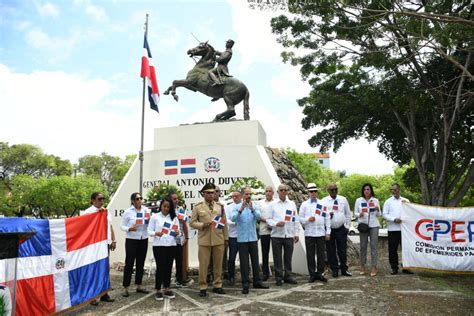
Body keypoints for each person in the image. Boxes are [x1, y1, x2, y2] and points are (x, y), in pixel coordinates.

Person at [190, 183, 229, 297]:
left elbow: (224, 224)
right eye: (208, 193)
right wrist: (202, 225)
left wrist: (226, 238)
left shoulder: (220, 207)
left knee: (218, 264)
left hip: (218, 239)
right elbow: (192, 222)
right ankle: (203, 286)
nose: (211, 195)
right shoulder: (198, 207)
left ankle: (217, 285)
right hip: (204, 240)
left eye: (212, 192)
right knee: (204, 265)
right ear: (203, 194)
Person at [231, 187, 269, 294]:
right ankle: (245, 283)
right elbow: (233, 218)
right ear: (242, 195)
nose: (248, 196)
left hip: (252, 237)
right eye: (246, 194)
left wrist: (252, 209)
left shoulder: (255, 205)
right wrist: (241, 210)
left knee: (255, 260)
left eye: (249, 194)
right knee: (244, 262)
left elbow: (258, 217)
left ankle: (257, 281)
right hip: (242, 239)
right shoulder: (237, 206)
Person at [83, 192, 116, 305]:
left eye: (103, 199)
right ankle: (92, 296)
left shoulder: (106, 211)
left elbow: (110, 226)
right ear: (92, 200)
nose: (102, 201)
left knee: (105, 269)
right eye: (99, 199)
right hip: (94, 245)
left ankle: (104, 294)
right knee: (94, 269)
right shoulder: (88, 212)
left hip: (105, 243)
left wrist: (113, 239)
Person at [267, 184, 300, 286]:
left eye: (285, 190)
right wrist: (276, 224)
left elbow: (295, 219)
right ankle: (278, 277)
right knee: (277, 258)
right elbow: (268, 219)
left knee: (288, 257)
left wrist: (296, 233)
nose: (283, 191)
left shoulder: (291, 204)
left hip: (289, 235)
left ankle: (288, 276)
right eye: (281, 190)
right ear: (277, 192)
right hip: (277, 235)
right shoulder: (272, 204)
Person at [148, 198, 180, 301]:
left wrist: (177, 233)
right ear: (161, 206)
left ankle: (167, 288)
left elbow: (178, 231)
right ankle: (158, 290)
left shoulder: (174, 218)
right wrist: (155, 233)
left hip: (171, 245)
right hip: (159, 245)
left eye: (168, 207)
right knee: (160, 267)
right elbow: (149, 230)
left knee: (169, 267)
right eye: (164, 206)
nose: (166, 208)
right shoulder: (155, 217)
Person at [120, 192, 151, 297]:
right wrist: (129, 228)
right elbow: (122, 226)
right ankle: (125, 287)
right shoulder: (128, 212)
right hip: (131, 239)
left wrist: (150, 221)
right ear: (133, 201)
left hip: (143, 238)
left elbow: (149, 223)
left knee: (141, 263)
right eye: (137, 199)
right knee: (129, 263)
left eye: (141, 198)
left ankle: (139, 285)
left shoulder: (146, 210)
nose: (140, 200)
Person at [299, 183, 330, 283]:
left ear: (317, 192)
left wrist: (328, 232)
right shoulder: (304, 205)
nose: (313, 193)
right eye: (311, 191)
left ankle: (320, 273)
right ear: (308, 193)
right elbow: (300, 219)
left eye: (315, 191)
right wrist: (308, 219)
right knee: (310, 255)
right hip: (309, 233)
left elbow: (327, 218)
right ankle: (312, 274)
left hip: (320, 233)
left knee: (321, 255)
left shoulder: (322, 204)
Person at [322, 183, 352, 278]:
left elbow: (348, 214)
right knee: (331, 251)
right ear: (328, 191)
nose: (334, 191)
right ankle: (334, 270)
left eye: (335, 189)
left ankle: (344, 269)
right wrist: (327, 215)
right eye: (332, 190)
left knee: (342, 250)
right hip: (330, 229)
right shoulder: (324, 201)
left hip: (341, 229)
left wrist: (347, 226)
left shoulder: (343, 199)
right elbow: (321, 215)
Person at [383, 183, 413, 275]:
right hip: (392, 229)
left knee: (406, 249)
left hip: (404, 229)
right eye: (391, 189)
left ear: (399, 190)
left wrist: (404, 219)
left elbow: (410, 213)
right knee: (392, 249)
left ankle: (406, 267)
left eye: (395, 189)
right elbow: (384, 214)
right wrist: (394, 219)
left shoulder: (405, 200)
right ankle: (394, 268)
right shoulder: (388, 201)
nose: (393, 191)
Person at [354, 183, 381, 277]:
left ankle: (374, 266)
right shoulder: (359, 200)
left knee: (374, 246)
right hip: (363, 225)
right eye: (365, 189)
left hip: (374, 225)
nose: (366, 191)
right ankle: (362, 265)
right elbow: (355, 213)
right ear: (363, 191)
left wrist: (377, 209)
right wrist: (359, 214)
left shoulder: (375, 200)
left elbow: (379, 215)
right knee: (363, 246)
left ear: (371, 190)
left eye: (368, 189)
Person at [170, 193, 189, 288]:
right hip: (168, 240)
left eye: (177, 198)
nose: (176, 200)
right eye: (174, 199)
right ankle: (165, 280)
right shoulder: (166, 210)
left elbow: (185, 224)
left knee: (179, 260)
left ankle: (179, 280)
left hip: (178, 239)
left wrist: (186, 237)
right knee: (167, 261)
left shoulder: (181, 210)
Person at [225, 191, 242, 286]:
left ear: (240, 196)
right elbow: (226, 219)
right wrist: (233, 223)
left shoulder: (245, 206)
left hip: (243, 236)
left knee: (244, 258)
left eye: (237, 196)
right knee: (231, 258)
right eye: (233, 196)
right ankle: (231, 276)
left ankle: (245, 275)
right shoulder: (228, 207)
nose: (235, 198)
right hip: (233, 236)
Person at [258, 186, 274, 281]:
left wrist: (272, 224)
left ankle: (279, 272)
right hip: (264, 231)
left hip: (275, 231)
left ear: (273, 193)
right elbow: (257, 215)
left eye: (270, 191)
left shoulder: (276, 202)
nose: (268, 193)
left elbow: (279, 215)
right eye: (266, 191)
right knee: (265, 253)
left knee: (277, 253)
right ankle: (265, 273)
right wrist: (267, 221)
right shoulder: (260, 203)